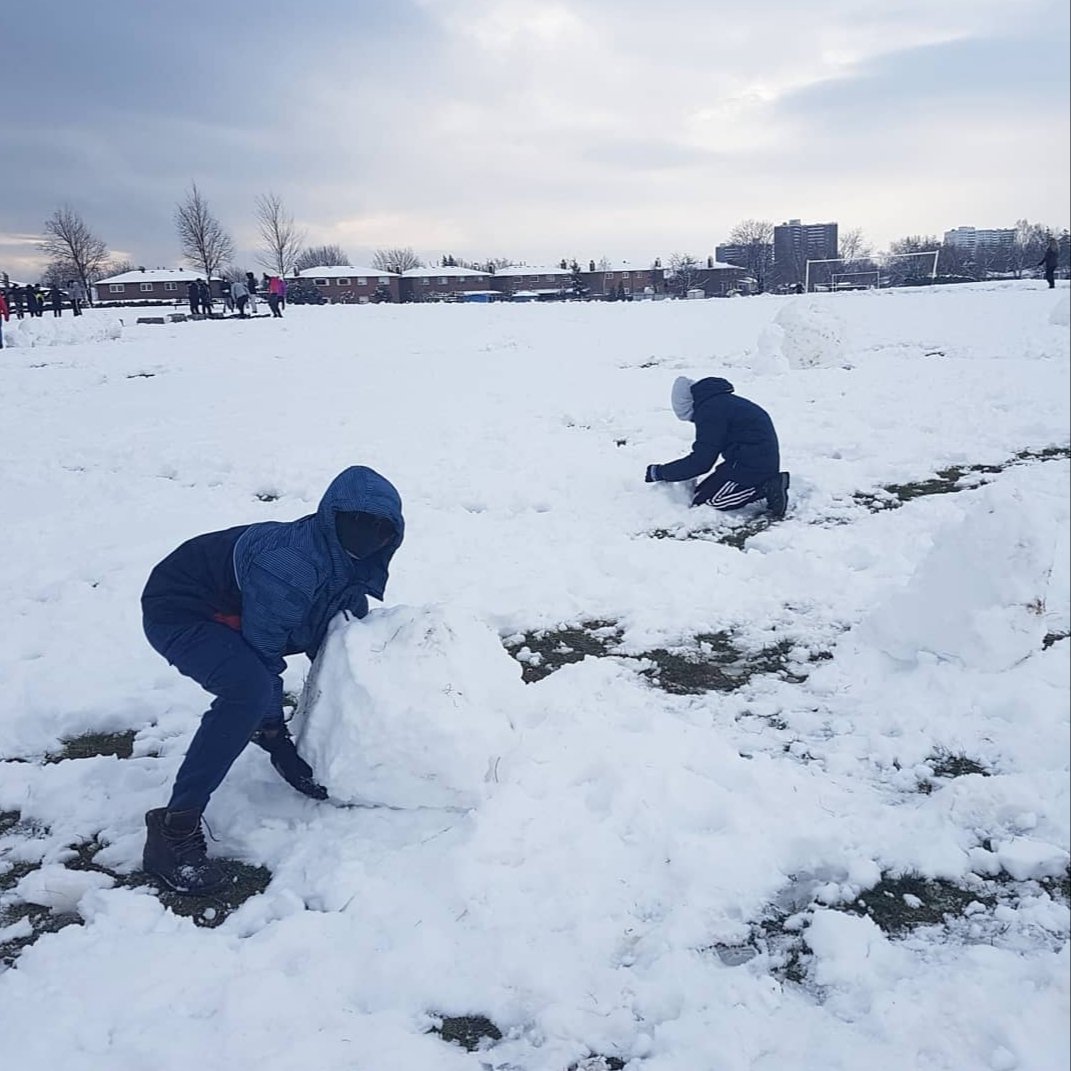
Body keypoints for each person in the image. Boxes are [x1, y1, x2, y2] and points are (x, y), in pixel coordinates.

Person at [140, 466, 404, 894]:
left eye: (381, 527)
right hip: (183, 609)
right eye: (357, 520)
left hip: (239, 608)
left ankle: (268, 727)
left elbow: (343, 641)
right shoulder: (290, 565)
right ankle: (173, 829)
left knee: (337, 634)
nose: (369, 533)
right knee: (247, 691)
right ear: (332, 515)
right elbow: (263, 652)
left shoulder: (350, 564)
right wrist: (275, 735)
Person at [645, 376, 790, 518]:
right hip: (746, 460)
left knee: (708, 503)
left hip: (752, 467)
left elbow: (702, 462)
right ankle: (759, 483)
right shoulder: (720, 403)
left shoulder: (710, 411)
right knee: (699, 493)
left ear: (689, 405)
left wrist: (660, 472)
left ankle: (766, 487)